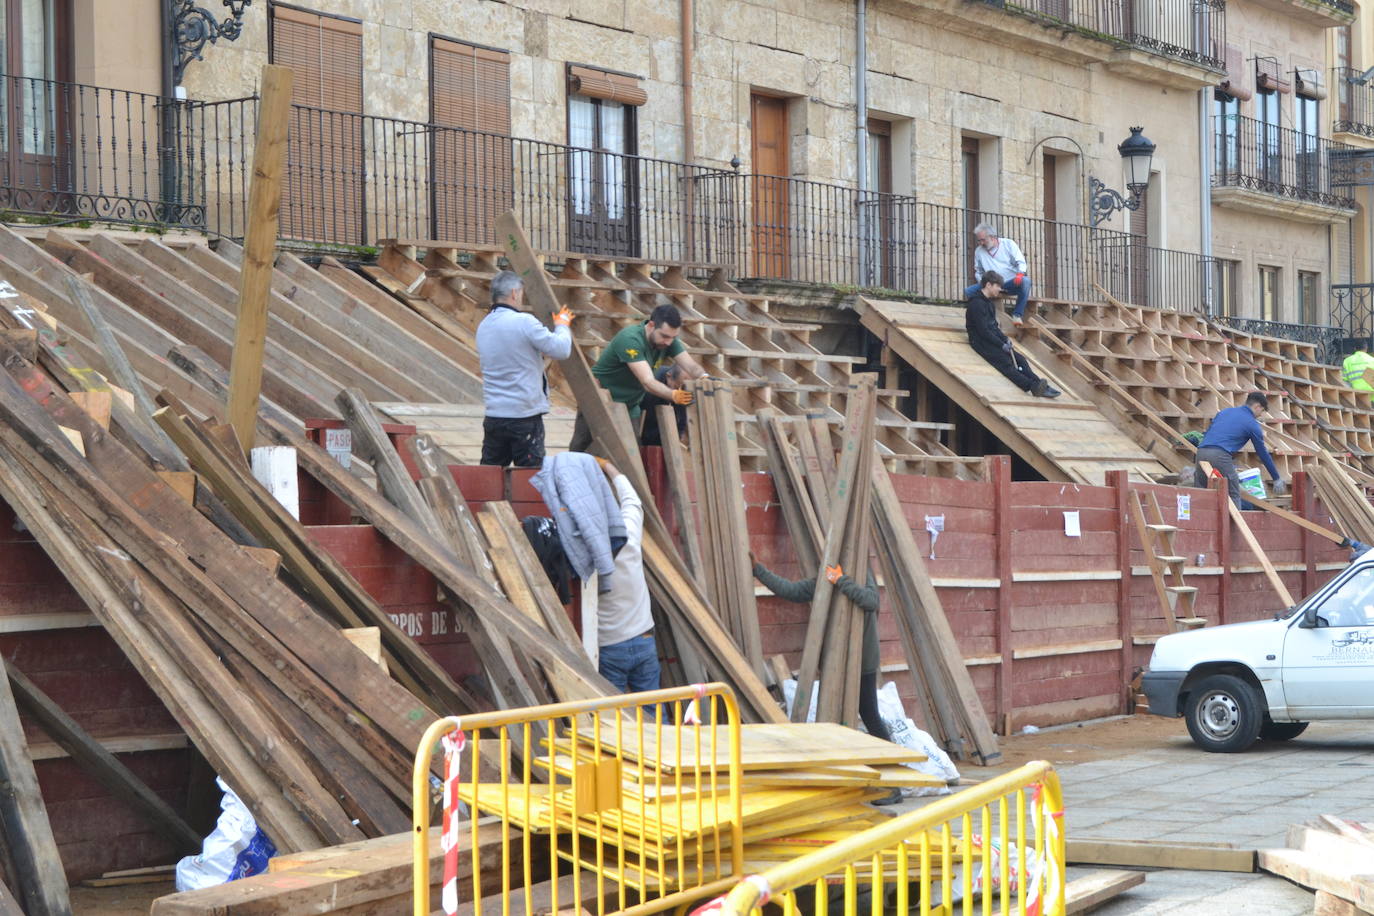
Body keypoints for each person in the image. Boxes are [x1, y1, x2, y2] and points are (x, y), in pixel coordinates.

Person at [750, 554, 902, 805]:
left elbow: (871, 600)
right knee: (839, 720)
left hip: (862, 661)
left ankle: (893, 785)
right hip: (836, 662)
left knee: (870, 716)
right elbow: (793, 591)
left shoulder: (858, 568)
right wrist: (759, 571)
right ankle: (851, 781)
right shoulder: (827, 575)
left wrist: (841, 580)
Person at [569, 304, 707, 452]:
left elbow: (691, 366)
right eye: (665, 336)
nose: (668, 342)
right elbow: (647, 382)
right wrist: (673, 394)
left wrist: (704, 377)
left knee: (631, 454)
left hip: (629, 405)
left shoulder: (668, 340)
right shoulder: (630, 339)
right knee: (581, 447)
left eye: (673, 337)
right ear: (651, 325)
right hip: (599, 399)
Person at [475, 270, 573, 467]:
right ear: (514, 293)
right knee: (530, 478)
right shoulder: (523, 322)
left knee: (491, 474)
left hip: (495, 415)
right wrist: (562, 325)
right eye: (521, 292)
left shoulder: (484, 325)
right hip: (523, 416)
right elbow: (561, 349)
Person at [593, 458, 658, 693]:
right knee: (653, 717)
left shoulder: (587, 553)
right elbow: (632, 502)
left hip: (610, 646)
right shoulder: (629, 537)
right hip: (643, 638)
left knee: (615, 721)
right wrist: (610, 466)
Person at [966, 271, 1060, 398]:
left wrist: (1005, 339)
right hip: (980, 341)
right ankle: (1032, 386)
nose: (1000, 289)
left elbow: (993, 327)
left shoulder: (989, 304)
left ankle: (1041, 385)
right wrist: (1000, 345)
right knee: (1005, 362)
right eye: (997, 286)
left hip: (991, 339)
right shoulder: (976, 303)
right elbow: (983, 330)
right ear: (988, 285)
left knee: (1020, 359)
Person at [1192, 392, 1286, 508]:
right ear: (1257, 406)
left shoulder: (1224, 412)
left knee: (1201, 492)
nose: (1259, 415)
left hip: (1201, 452)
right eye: (1261, 412)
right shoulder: (1252, 424)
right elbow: (1262, 453)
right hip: (1220, 455)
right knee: (1233, 494)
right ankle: (1235, 526)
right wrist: (1276, 478)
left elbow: (1207, 434)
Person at [964, 222, 1032, 326]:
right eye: (979, 240)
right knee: (968, 291)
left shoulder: (1008, 244)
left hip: (1010, 283)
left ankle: (1017, 315)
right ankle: (980, 315)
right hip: (990, 284)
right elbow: (979, 271)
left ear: (992, 237)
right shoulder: (978, 251)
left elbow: (1020, 261)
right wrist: (984, 283)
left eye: (983, 240)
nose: (981, 243)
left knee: (1026, 281)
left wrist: (1020, 273)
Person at [639, 364, 689, 447]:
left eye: (681, 388)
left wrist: (679, 434)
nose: (678, 391)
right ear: (668, 376)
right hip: (645, 423)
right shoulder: (654, 380)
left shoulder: (682, 385)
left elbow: (682, 415)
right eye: (676, 387)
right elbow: (648, 418)